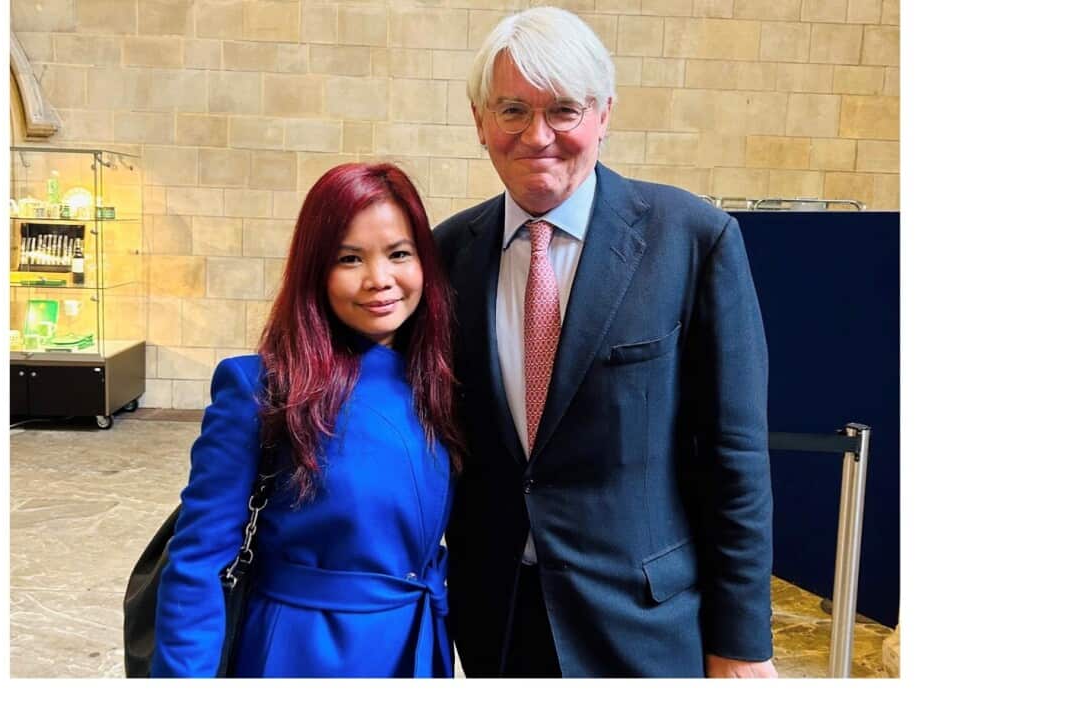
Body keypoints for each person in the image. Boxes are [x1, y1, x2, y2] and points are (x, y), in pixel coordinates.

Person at [434, 7, 776, 678]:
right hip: (495, 621)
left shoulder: (692, 240)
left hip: (642, 625)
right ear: (479, 121)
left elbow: (734, 457)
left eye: (564, 110)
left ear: (604, 114)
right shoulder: (447, 255)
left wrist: (741, 640)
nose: (538, 136)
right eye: (512, 111)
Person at [152, 163, 463, 677]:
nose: (379, 280)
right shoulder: (261, 386)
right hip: (304, 653)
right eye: (349, 258)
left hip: (415, 646)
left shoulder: (437, 379)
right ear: (315, 270)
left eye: (399, 254)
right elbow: (198, 562)